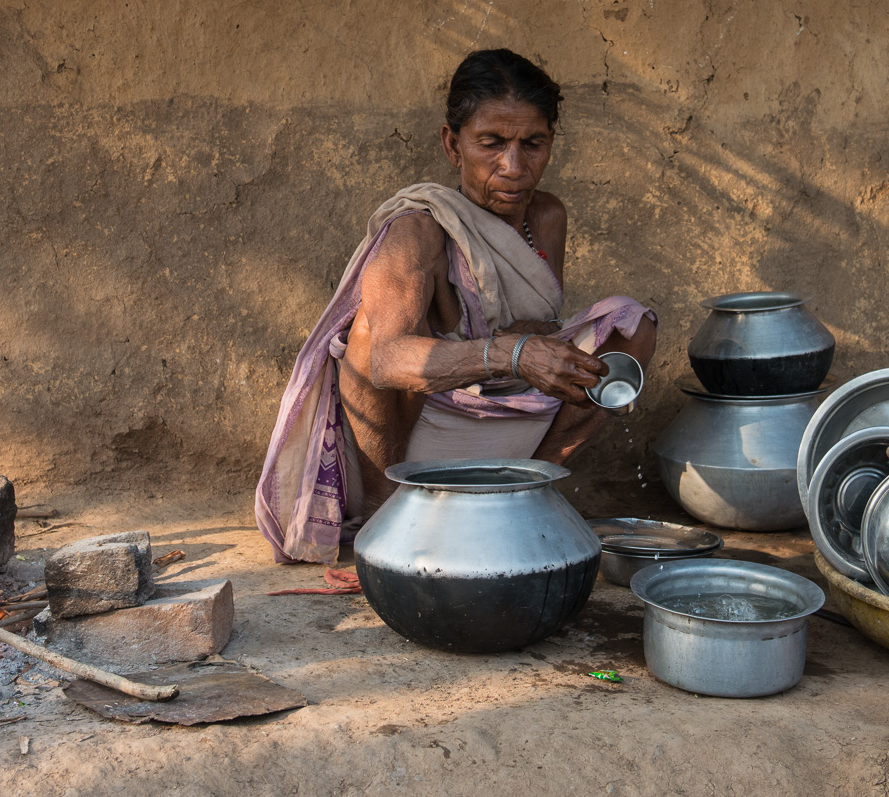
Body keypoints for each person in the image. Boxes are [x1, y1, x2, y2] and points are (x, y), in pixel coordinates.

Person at [255, 49, 657, 564]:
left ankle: (533, 488)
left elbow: (538, 321)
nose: (514, 167)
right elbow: (385, 362)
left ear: (551, 144)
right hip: (417, 438)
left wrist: (534, 349)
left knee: (630, 324)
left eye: (532, 144)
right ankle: (386, 517)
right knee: (364, 338)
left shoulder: (548, 216)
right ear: (453, 143)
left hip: (515, 414)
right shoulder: (417, 228)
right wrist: (512, 354)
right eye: (491, 143)